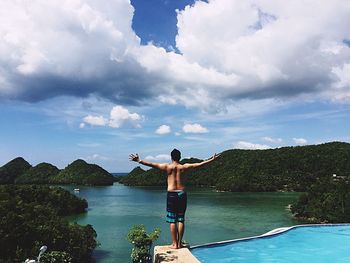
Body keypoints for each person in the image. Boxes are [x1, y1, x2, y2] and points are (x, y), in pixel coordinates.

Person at [129, 149, 220, 249]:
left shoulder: (167, 167)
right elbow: (199, 164)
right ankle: (180, 243)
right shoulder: (184, 166)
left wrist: (139, 161)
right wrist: (212, 160)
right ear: (180, 157)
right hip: (182, 194)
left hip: (171, 194)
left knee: (173, 220)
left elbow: (152, 164)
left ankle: (174, 244)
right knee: (181, 219)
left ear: (171, 157)